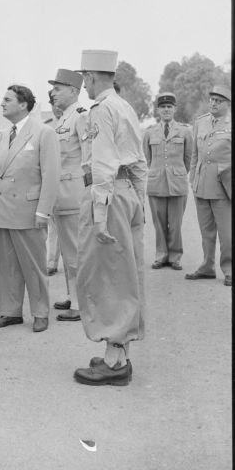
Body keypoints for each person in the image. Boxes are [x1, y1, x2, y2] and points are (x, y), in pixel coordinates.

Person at [73, 50, 147, 386]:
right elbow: (139, 163)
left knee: (107, 278)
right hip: (125, 193)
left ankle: (114, 364)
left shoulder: (102, 109)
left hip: (109, 196)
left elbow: (102, 165)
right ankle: (119, 355)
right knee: (124, 275)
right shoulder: (125, 106)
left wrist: (100, 216)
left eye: (84, 77)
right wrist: (137, 203)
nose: (84, 85)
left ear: (91, 76)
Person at [0, 84, 60, 333]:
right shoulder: (7, 133)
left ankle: (40, 312)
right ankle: (10, 311)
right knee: (6, 266)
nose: (3, 103)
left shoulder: (43, 133)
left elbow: (51, 176)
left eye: (7, 99)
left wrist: (44, 211)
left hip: (29, 211)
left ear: (23, 104)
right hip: (5, 209)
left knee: (34, 266)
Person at [47, 69, 90, 321]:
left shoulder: (81, 118)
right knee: (66, 248)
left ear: (73, 91)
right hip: (61, 194)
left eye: (58, 88)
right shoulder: (62, 119)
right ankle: (71, 294)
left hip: (74, 193)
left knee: (75, 250)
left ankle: (80, 301)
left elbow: (88, 158)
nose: (53, 93)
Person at [185, 85, 232, 286]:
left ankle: (229, 269)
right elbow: (195, 153)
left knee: (227, 233)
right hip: (202, 184)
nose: (213, 103)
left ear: (228, 104)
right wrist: (193, 177)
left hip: (223, 186)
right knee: (206, 232)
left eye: (218, 101)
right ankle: (207, 266)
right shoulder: (201, 122)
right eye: (212, 99)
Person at [142, 93, 192, 270]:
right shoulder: (149, 132)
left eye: (169, 107)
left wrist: (177, 173)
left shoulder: (185, 131)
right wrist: (158, 171)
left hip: (177, 184)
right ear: (157, 110)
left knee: (176, 224)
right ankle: (161, 255)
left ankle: (175, 256)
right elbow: (146, 158)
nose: (166, 110)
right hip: (156, 183)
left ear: (175, 109)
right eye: (162, 107)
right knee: (159, 222)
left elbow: (189, 159)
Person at [42, 98, 62, 276]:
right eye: (52, 105)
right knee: (53, 223)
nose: (56, 108)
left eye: (58, 104)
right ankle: (51, 262)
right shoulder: (47, 127)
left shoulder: (79, 120)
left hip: (71, 182)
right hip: (52, 182)